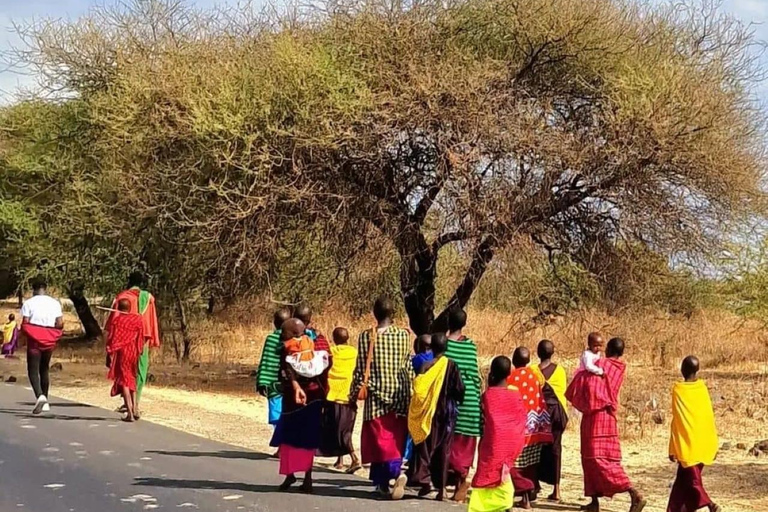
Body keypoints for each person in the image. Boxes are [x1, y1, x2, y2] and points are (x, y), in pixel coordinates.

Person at [566, 337, 646, 512]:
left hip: (597, 416)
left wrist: (581, 375)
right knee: (589, 459)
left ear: (608, 349)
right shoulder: (615, 368)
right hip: (606, 418)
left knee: (598, 460)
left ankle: (633, 493)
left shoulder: (602, 365)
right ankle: (594, 502)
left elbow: (590, 388)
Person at [352, 296, 412, 500]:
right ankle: (382, 483)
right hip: (401, 395)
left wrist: (353, 393)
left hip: (376, 396)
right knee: (395, 438)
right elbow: (407, 365)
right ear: (392, 314)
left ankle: (394, 475)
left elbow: (361, 369)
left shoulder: (367, 337)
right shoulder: (404, 336)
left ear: (374, 314)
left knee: (379, 439)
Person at [270, 318, 326, 494]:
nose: (282, 335)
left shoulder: (286, 347)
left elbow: (287, 370)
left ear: (294, 333)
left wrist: (295, 387)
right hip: (315, 396)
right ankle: (308, 478)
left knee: (290, 436)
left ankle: (290, 474)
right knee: (309, 438)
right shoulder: (315, 342)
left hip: (293, 398)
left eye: (284, 332)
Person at [407, 333, 465, 501]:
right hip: (446, 415)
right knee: (444, 451)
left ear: (432, 347)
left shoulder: (425, 365)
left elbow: (418, 389)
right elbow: (460, 390)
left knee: (425, 447)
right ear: (446, 348)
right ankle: (442, 490)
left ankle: (425, 482)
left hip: (428, 413)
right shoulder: (452, 366)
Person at [468, 356, 526, 512]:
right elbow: (522, 419)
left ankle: (483, 507)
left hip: (492, 444)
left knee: (487, 474)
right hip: (511, 444)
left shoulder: (487, 396)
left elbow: (482, 421)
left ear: (491, 373)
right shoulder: (516, 396)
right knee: (503, 473)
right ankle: (504, 503)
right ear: (509, 374)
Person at [667, 356, 720, 512]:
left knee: (693, 482)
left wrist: (673, 447)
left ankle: (710, 504)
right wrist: (713, 443)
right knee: (682, 483)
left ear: (682, 369)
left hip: (687, 444)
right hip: (702, 441)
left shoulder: (678, 389)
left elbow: (677, 421)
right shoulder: (702, 388)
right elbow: (709, 418)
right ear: (697, 370)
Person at [105, 271, 160, 419]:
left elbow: (113, 327)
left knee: (124, 377)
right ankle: (136, 405)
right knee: (138, 372)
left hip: (123, 346)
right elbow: (151, 322)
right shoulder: (148, 298)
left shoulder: (122, 297)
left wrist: (109, 349)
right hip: (141, 342)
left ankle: (130, 409)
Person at [506, 347, 553, 509]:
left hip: (518, 431)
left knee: (514, 464)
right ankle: (527, 494)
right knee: (530, 464)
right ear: (528, 361)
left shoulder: (510, 378)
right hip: (535, 429)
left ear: (514, 360)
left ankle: (524, 494)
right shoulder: (535, 375)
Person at [444, 307, 482, 502]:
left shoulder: (444, 346)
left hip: (451, 404)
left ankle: (448, 483)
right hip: (472, 403)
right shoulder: (471, 346)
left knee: (449, 443)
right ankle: (461, 481)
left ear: (448, 323)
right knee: (466, 446)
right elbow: (475, 377)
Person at [319, 327, 361, 473]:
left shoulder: (330, 352)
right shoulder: (355, 353)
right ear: (347, 338)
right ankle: (340, 459)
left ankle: (354, 458)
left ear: (334, 339)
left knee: (340, 430)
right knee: (344, 428)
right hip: (349, 395)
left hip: (334, 394)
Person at [531, 339, 569, 502]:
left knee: (535, 448)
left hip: (538, 413)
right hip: (556, 413)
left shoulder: (532, 370)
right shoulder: (560, 370)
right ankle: (557, 489)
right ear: (552, 353)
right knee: (555, 449)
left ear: (537, 353)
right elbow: (562, 392)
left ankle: (534, 484)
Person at [20, 279, 64, 414]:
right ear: (46, 289)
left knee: (32, 369)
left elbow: (25, 322)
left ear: (33, 289)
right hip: (49, 339)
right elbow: (60, 323)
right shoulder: (55, 303)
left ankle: (40, 396)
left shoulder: (28, 303)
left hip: (34, 339)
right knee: (44, 369)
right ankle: (45, 400)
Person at [257, 307, 293, 444]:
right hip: (290, 383)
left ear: (275, 323)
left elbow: (265, 361)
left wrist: (261, 382)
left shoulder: (271, 339)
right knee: (286, 413)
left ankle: (282, 444)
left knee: (277, 414)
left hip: (273, 384)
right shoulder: (295, 339)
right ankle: (283, 444)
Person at [106, 299, 144, 422]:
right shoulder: (137, 319)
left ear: (118, 308)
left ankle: (130, 413)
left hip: (123, 353)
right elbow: (141, 338)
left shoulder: (117, 321)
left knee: (125, 381)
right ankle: (135, 409)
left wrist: (109, 353)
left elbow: (112, 339)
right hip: (134, 352)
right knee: (131, 378)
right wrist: (139, 350)